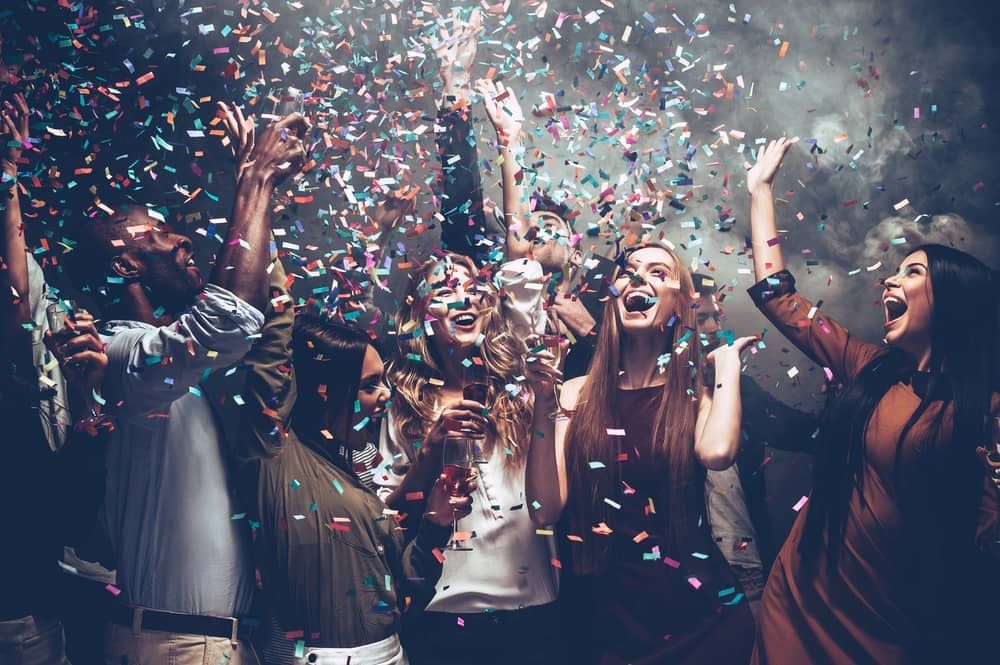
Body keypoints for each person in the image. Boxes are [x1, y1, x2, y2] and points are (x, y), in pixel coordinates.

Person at [64, 103, 308, 665]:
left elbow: (239, 320)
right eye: (159, 231)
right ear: (125, 267)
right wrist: (253, 179)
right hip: (175, 646)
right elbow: (226, 321)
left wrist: (258, 189)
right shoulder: (117, 356)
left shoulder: (176, 370)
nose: (181, 239)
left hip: (210, 641)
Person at [744, 137, 999, 664]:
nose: (891, 276)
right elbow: (778, 297)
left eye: (913, 272)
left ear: (952, 299)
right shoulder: (870, 367)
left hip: (894, 622)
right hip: (802, 598)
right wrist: (760, 190)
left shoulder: (987, 411)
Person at [232, 253, 471, 664]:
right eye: (369, 386)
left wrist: (434, 525)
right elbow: (270, 362)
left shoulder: (353, 469)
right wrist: (275, 280)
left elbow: (406, 586)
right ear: (326, 390)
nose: (385, 396)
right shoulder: (275, 451)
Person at [525, 242, 757, 664]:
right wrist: (543, 405)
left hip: (702, 620)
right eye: (629, 270)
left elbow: (718, 452)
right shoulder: (574, 395)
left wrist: (726, 368)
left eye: (658, 272)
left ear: (678, 302)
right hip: (609, 623)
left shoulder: (695, 398)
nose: (639, 279)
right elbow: (544, 510)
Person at [375, 250, 563, 665]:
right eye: (444, 292)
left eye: (473, 289)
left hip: (532, 607)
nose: (464, 300)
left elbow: (527, 275)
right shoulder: (404, 406)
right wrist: (430, 451)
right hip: (444, 613)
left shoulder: (523, 389)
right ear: (422, 314)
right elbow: (388, 518)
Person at [432, 11, 604, 379]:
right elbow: (460, 186)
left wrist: (591, 333)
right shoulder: (479, 294)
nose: (536, 228)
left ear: (575, 252)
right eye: (533, 221)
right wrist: (455, 87)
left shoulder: (607, 313)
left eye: (552, 225)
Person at [693, 274, 818, 615]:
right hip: (683, 562)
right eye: (701, 318)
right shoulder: (655, 390)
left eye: (717, 317)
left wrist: (857, 408)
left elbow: (800, 431)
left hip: (745, 562)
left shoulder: (739, 389)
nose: (713, 327)